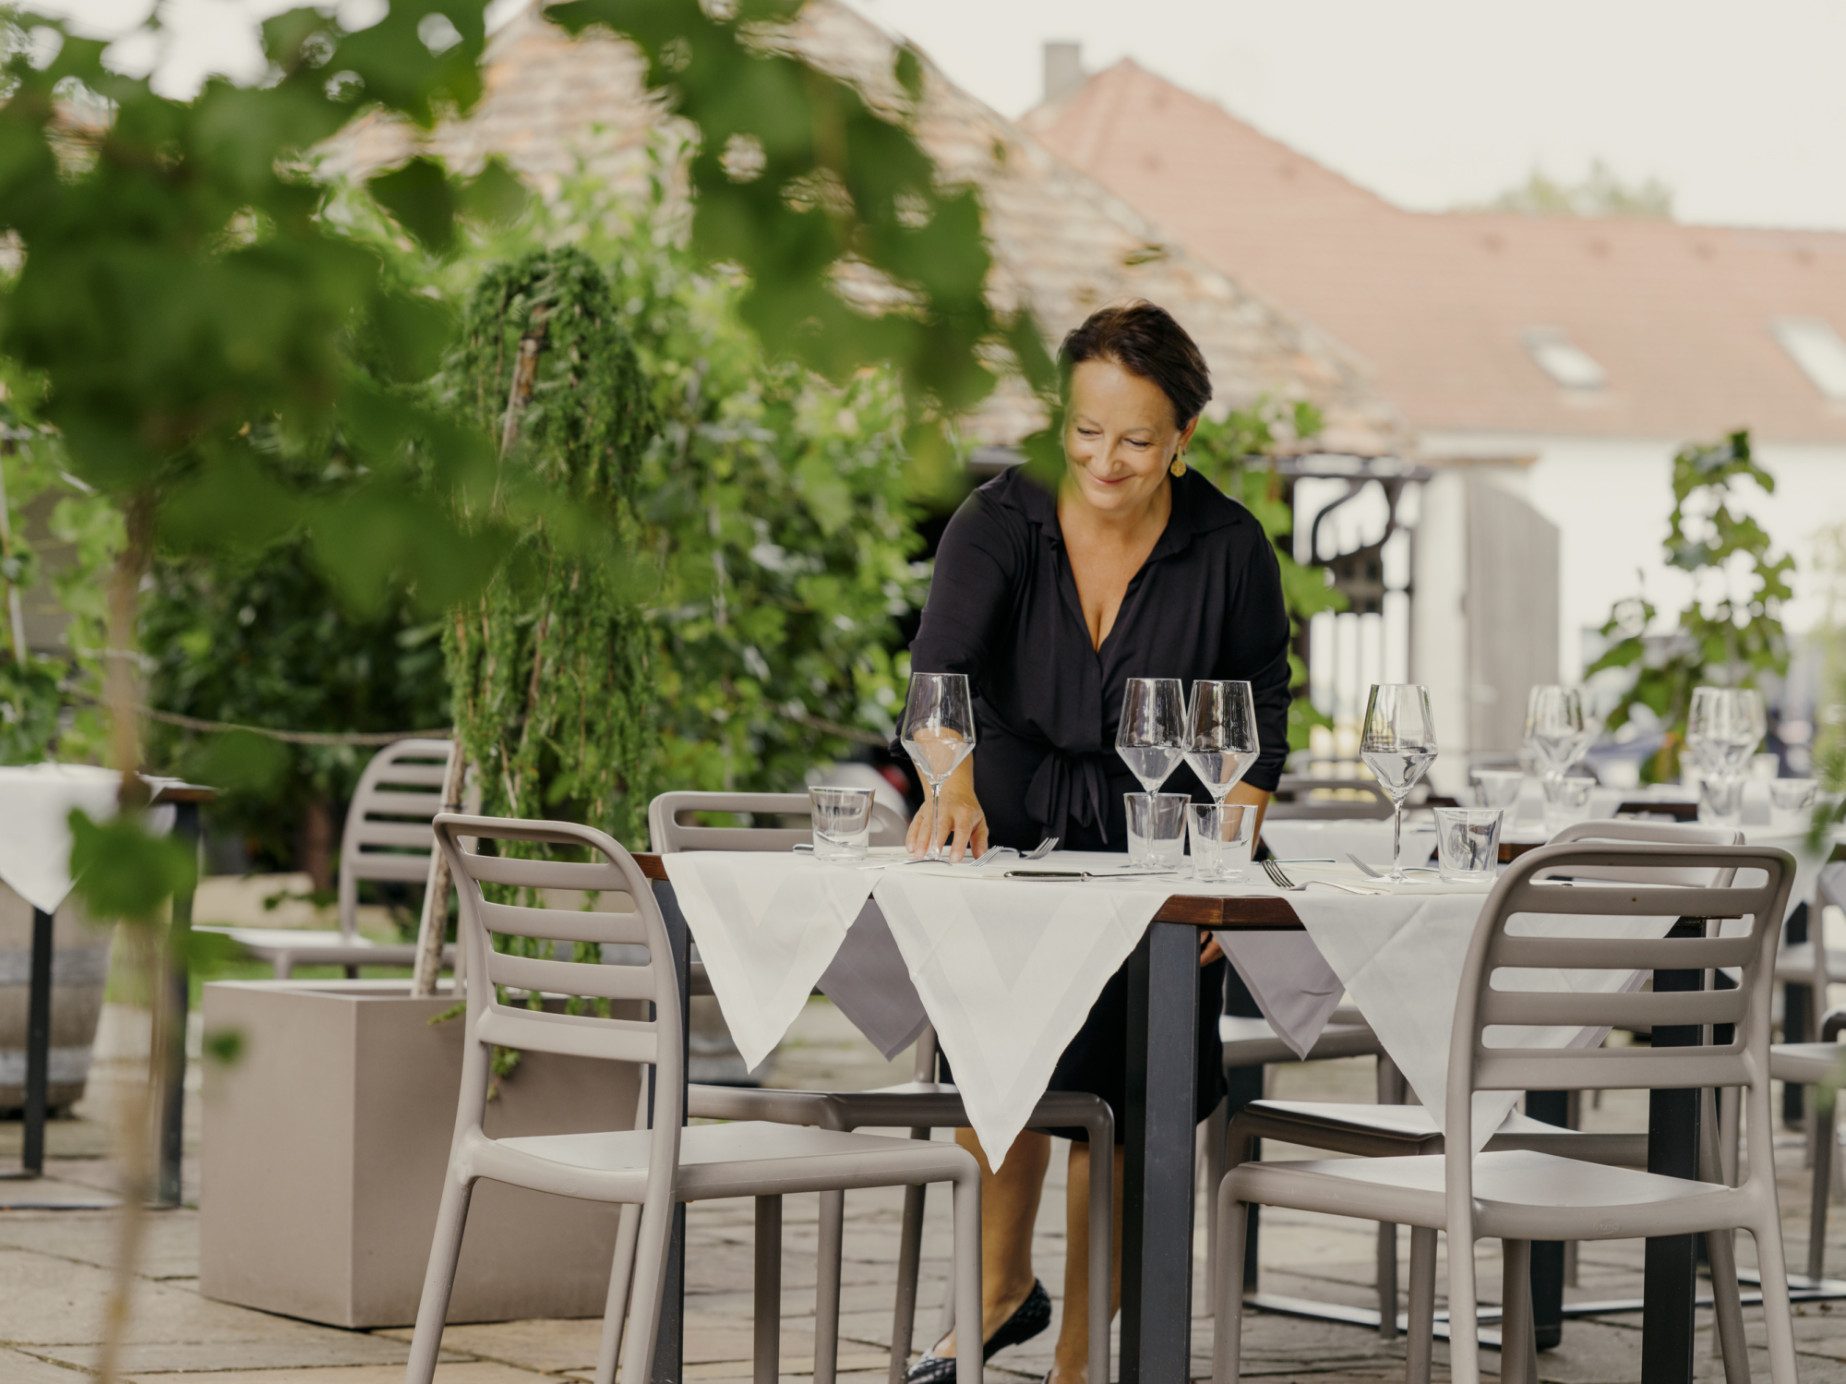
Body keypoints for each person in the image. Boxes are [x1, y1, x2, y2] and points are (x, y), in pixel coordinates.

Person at [901, 301, 1291, 1384]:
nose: (1103, 459)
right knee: (1000, 1060)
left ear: (1182, 438)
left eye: (1133, 437)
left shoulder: (1227, 547)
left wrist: (1229, 855)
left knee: (1126, 1096)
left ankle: (1082, 1354)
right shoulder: (998, 520)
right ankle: (996, 1293)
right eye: (1083, 430)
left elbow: (1260, 711)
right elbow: (939, 682)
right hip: (1013, 831)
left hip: (1156, 851)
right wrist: (953, 780)